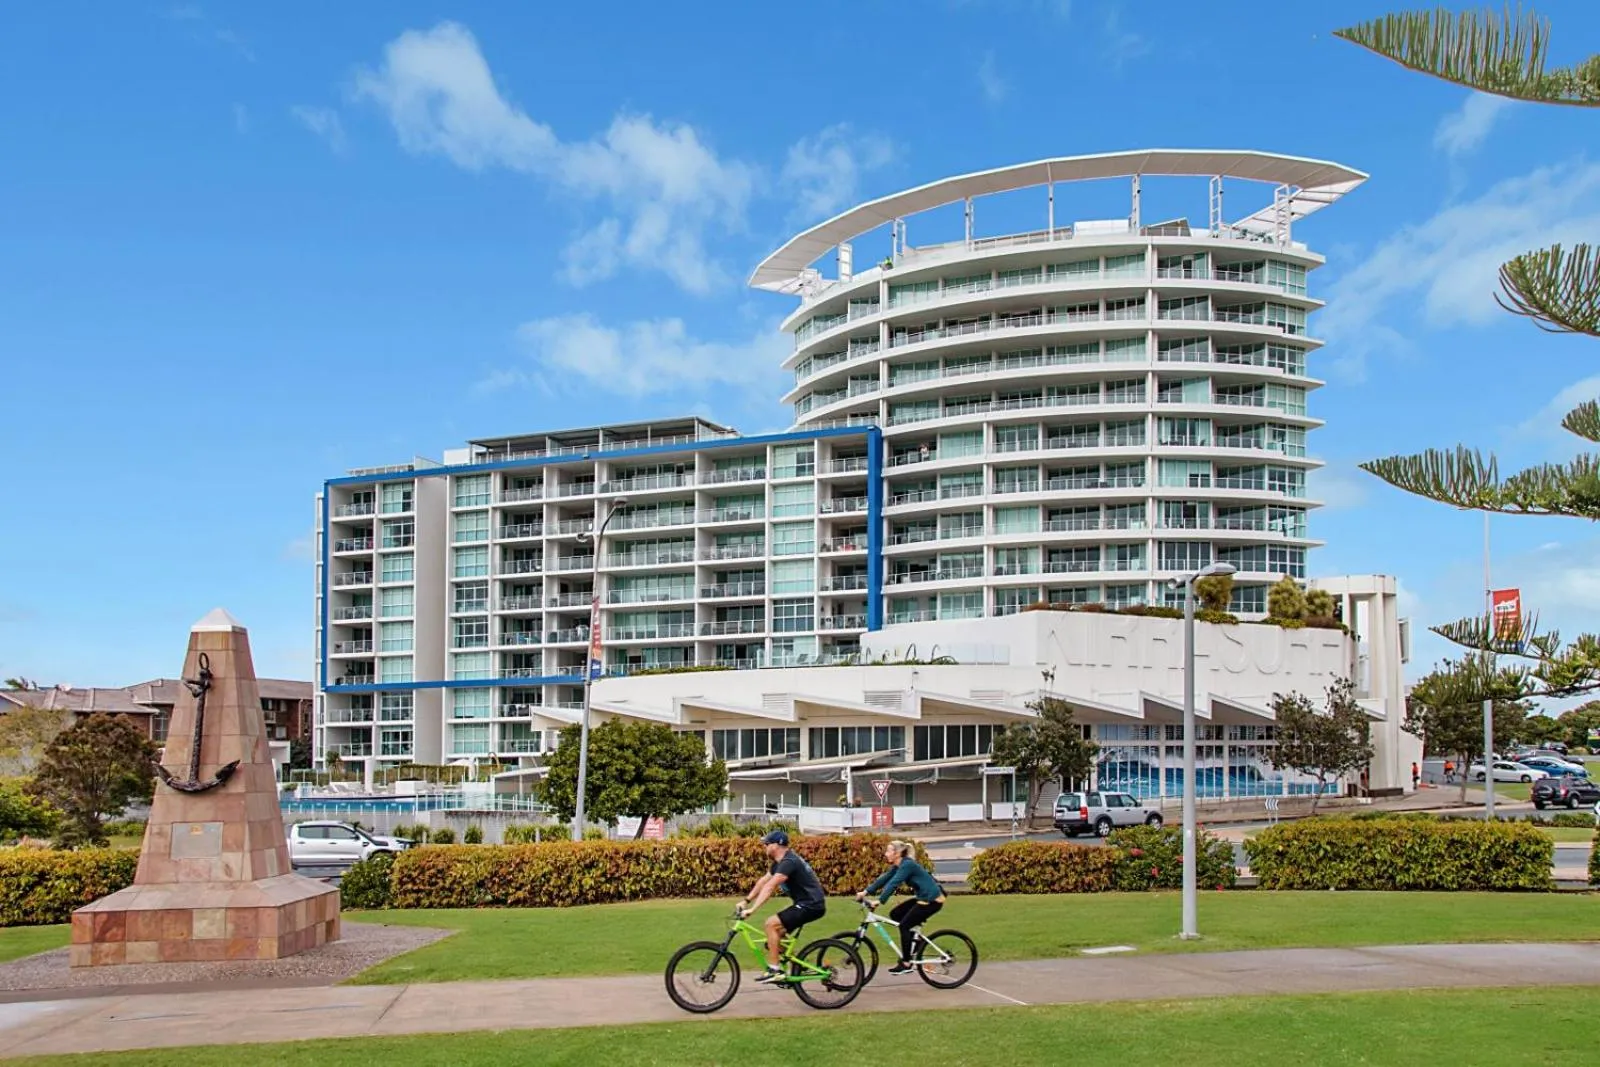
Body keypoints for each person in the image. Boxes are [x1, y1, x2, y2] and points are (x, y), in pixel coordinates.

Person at [738, 830, 826, 984]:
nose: (764, 846)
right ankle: (800, 964)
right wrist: (746, 900)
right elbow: (763, 882)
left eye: (767, 843)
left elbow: (770, 887)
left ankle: (775, 970)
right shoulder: (779, 863)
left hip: (811, 905)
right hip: (805, 904)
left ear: (777, 844)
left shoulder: (789, 862)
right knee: (772, 941)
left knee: (771, 924)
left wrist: (753, 909)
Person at [857, 839, 946, 975]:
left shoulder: (907, 865)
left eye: (888, 851)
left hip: (932, 901)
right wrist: (865, 892)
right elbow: (885, 878)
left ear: (897, 853)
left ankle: (906, 962)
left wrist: (879, 901)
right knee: (896, 914)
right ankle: (917, 942)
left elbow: (894, 883)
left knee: (904, 926)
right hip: (923, 898)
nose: (886, 853)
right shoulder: (899, 865)